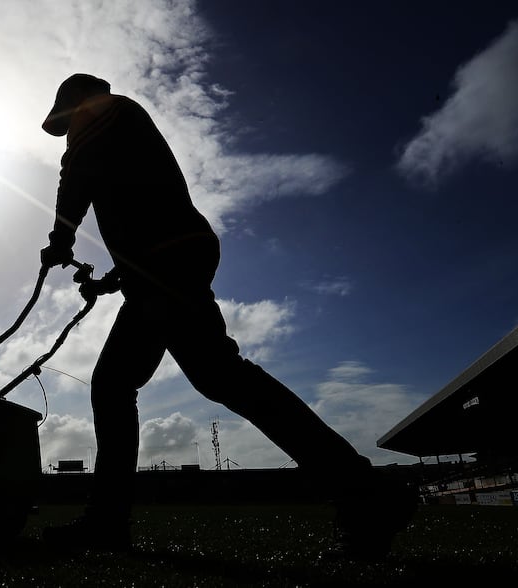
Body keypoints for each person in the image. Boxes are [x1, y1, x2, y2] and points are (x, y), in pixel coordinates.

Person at [37, 74, 415, 558]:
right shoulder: (124, 124)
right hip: (166, 258)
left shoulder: (101, 111)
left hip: (166, 258)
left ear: (73, 102)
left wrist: (60, 241)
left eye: (64, 118)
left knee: (133, 383)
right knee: (211, 377)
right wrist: (114, 279)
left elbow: (77, 177)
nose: (66, 130)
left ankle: (364, 492)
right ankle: (364, 492)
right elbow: (140, 206)